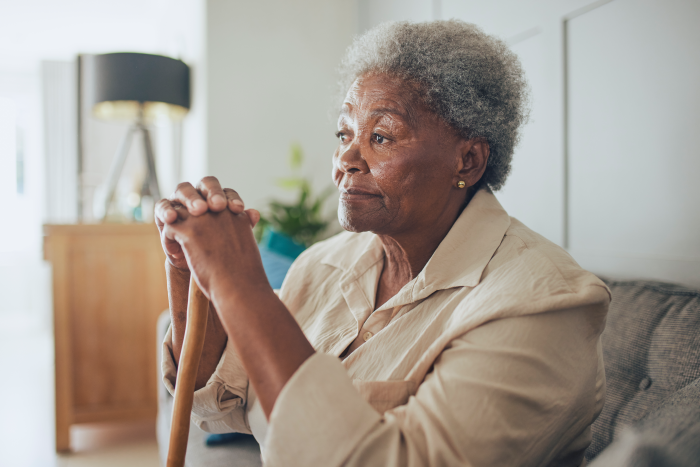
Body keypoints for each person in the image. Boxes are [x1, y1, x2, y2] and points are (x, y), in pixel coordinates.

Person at [156, 20, 610, 467]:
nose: (346, 160)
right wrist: (189, 268)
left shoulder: (544, 300)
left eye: (381, 137)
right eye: (344, 134)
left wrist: (242, 283)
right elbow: (218, 402)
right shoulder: (324, 264)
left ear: (468, 160)